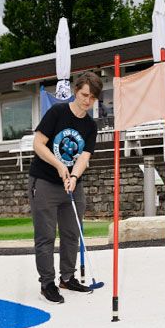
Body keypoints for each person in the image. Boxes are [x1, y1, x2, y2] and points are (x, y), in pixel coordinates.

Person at [28, 72, 101, 304]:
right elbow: (38, 144)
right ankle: (47, 283)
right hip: (45, 180)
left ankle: (67, 278)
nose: (87, 101)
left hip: (71, 184)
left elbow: (84, 157)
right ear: (75, 91)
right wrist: (59, 165)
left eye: (92, 97)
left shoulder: (90, 126)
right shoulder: (57, 113)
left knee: (72, 233)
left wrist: (75, 176)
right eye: (84, 95)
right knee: (46, 236)